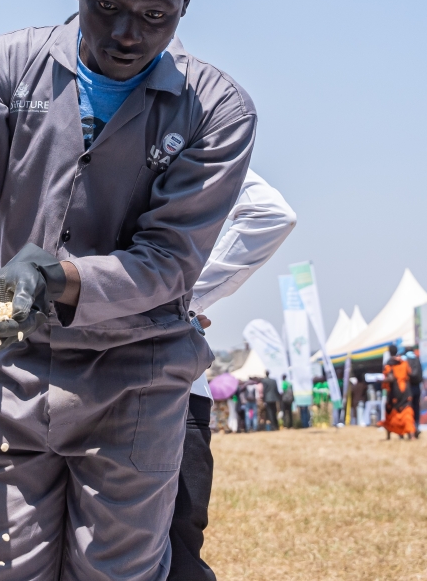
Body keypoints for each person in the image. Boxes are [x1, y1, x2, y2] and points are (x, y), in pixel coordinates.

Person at [0, 0, 255, 578]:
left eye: (155, 15)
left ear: (186, 0)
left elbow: (168, 263)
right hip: (11, 371)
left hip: (137, 379)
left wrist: (58, 279)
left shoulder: (216, 110)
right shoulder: (5, 69)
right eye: (105, 6)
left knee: (116, 569)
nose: (127, 34)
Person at [169, 171, 295, 581]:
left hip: (165, 382)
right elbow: (270, 214)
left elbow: (271, 214)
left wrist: (171, 296)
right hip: (173, 379)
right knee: (176, 545)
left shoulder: (185, 125)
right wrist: (176, 297)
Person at [380, 345, 415, 439]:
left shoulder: (389, 364)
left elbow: (390, 378)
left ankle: (389, 437)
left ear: (389, 352)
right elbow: (410, 373)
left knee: (391, 413)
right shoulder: (403, 362)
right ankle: (411, 436)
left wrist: (381, 381)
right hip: (405, 390)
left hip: (394, 391)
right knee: (407, 412)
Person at [404, 347, 423, 438]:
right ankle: (417, 426)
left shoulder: (405, 359)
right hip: (417, 388)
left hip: (409, 388)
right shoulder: (417, 359)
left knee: (409, 409)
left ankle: (411, 429)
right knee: (416, 408)